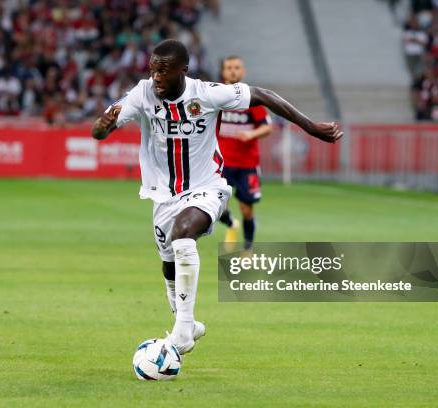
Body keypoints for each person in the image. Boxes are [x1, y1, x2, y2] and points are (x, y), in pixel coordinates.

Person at [91, 39, 342, 355]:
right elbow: (101, 130)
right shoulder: (142, 94)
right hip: (164, 196)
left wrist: (310, 127)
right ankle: (187, 323)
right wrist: (102, 127)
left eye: (163, 71)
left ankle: (181, 334)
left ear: (183, 70)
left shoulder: (207, 94)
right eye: (153, 70)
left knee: (184, 235)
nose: (156, 77)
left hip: (207, 187)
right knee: (169, 262)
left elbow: (263, 95)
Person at [216, 56, 273, 251]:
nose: (233, 71)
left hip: (247, 164)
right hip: (219, 164)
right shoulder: (215, 97)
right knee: (215, 207)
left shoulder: (251, 98)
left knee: (246, 209)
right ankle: (231, 224)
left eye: (237, 67)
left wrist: (251, 134)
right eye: (229, 68)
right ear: (223, 72)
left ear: (243, 72)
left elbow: (267, 127)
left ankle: (247, 249)